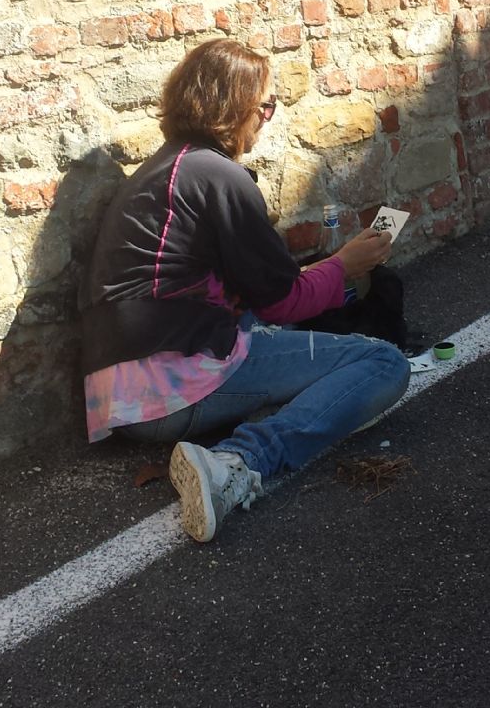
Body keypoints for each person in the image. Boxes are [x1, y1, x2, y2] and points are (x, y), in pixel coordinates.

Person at [78, 38, 410, 542]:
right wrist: (344, 265)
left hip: (117, 394)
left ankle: (286, 412)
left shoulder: (167, 167)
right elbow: (283, 300)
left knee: (272, 330)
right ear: (234, 107)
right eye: (265, 106)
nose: (267, 119)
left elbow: (252, 295)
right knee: (384, 363)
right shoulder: (220, 176)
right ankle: (239, 462)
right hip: (169, 387)